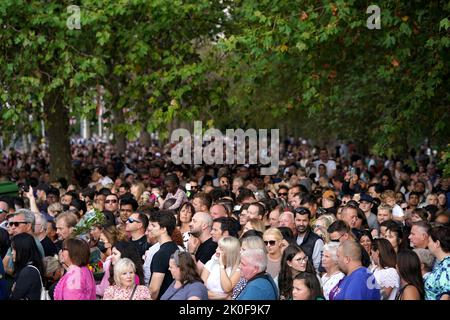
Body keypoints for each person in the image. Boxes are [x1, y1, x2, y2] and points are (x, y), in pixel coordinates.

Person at [149, 211, 179, 300]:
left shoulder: (161, 254)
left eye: (153, 225)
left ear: (163, 229)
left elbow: (154, 290)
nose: (149, 228)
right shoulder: (175, 248)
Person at [9, 233, 44, 300]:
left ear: (23, 249)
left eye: (14, 249)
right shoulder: (31, 267)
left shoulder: (28, 272)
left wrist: (14, 291)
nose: (12, 252)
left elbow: (15, 297)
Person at [294, 207, 324, 272]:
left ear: (309, 221)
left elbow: (317, 268)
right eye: (298, 220)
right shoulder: (292, 238)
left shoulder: (317, 241)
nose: (301, 224)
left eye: (304, 220)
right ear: (294, 220)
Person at [425, 226, 450, 300]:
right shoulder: (443, 264)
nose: (427, 245)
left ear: (437, 243)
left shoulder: (447, 265)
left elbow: (446, 296)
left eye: (429, 241)